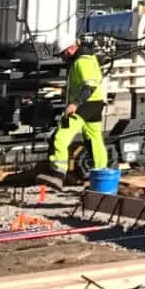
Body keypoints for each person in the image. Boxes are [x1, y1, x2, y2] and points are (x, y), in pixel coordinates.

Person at [45, 37, 108, 186]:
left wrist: (75, 103)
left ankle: (58, 173)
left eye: (63, 53)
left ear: (71, 48)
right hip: (96, 103)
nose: (62, 57)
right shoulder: (89, 58)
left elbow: (89, 85)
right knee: (95, 139)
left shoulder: (81, 61)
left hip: (84, 104)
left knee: (61, 136)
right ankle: (101, 175)